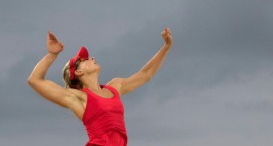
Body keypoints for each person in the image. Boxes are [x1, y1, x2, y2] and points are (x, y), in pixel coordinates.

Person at [27, 27, 173, 146]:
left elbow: (145, 75)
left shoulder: (115, 86)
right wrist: (52, 55)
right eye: (84, 60)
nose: (92, 58)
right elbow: (35, 80)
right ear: (78, 71)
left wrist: (166, 47)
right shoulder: (78, 98)